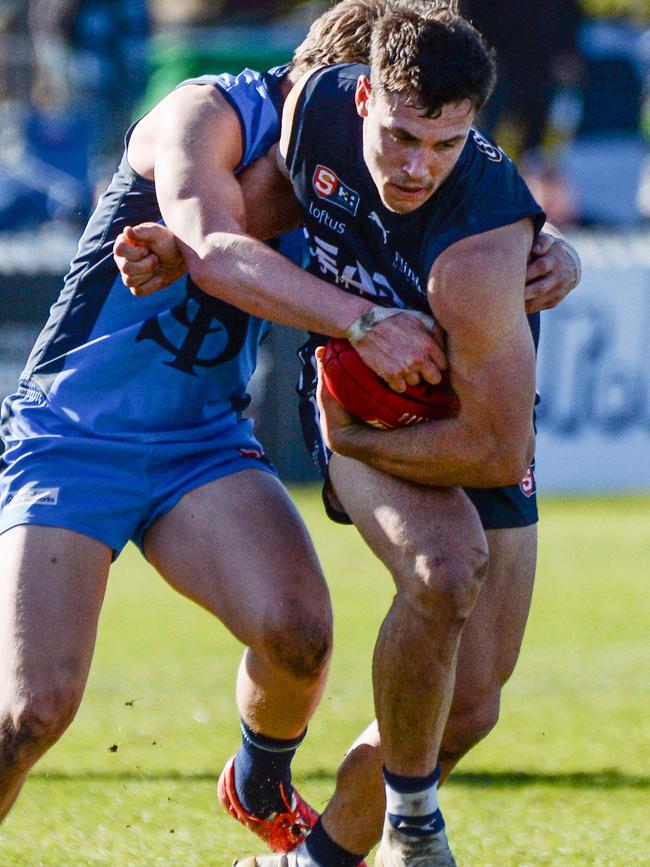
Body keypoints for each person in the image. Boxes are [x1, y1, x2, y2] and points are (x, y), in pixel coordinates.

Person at [115, 4, 581, 866]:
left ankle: (313, 858)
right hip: (357, 394)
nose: (416, 168)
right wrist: (180, 252)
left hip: (470, 425)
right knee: (445, 569)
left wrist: (357, 449)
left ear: (473, 128)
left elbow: (496, 450)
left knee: (472, 706)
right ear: (365, 95)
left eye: (444, 148)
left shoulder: (479, 251)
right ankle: (412, 829)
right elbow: (261, 208)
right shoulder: (318, 109)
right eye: (402, 136)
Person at [0, 0, 452, 849]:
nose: (395, 159)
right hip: (72, 434)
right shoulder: (202, 112)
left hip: (202, 443)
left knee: (300, 635)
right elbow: (214, 245)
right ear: (336, 95)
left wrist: (547, 252)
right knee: (30, 712)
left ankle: (259, 778)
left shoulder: (361, 166)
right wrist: (363, 321)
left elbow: (471, 223)